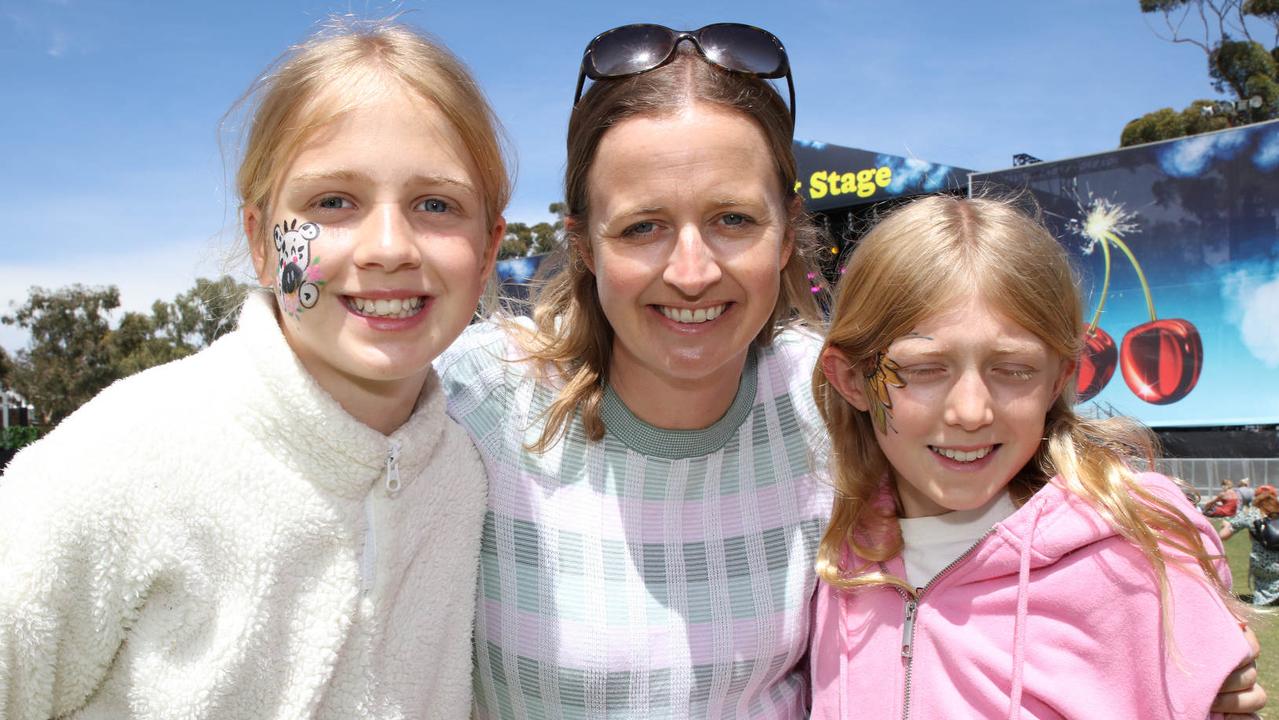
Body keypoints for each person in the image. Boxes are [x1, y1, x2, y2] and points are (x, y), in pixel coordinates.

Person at [0, 20, 507, 719]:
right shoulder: (113, 464)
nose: (389, 247)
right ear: (263, 244)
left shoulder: (473, 482)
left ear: (488, 251)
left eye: (436, 205)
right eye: (332, 202)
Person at [436, 23, 832, 719]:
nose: (691, 273)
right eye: (642, 227)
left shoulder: (830, 406)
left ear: (784, 231)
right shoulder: (478, 397)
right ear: (583, 243)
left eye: (733, 219)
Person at [808, 195, 1256, 719]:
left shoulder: (1139, 553)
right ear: (851, 380)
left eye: (1014, 369)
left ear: (1059, 380)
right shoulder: (834, 562)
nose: (971, 412)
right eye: (926, 368)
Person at [1220, 484, 1279, 606]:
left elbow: (1223, 535)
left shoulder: (1250, 513)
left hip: (1261, 565)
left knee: (1262, 584)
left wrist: (1226, 525)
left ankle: (1263, 601)